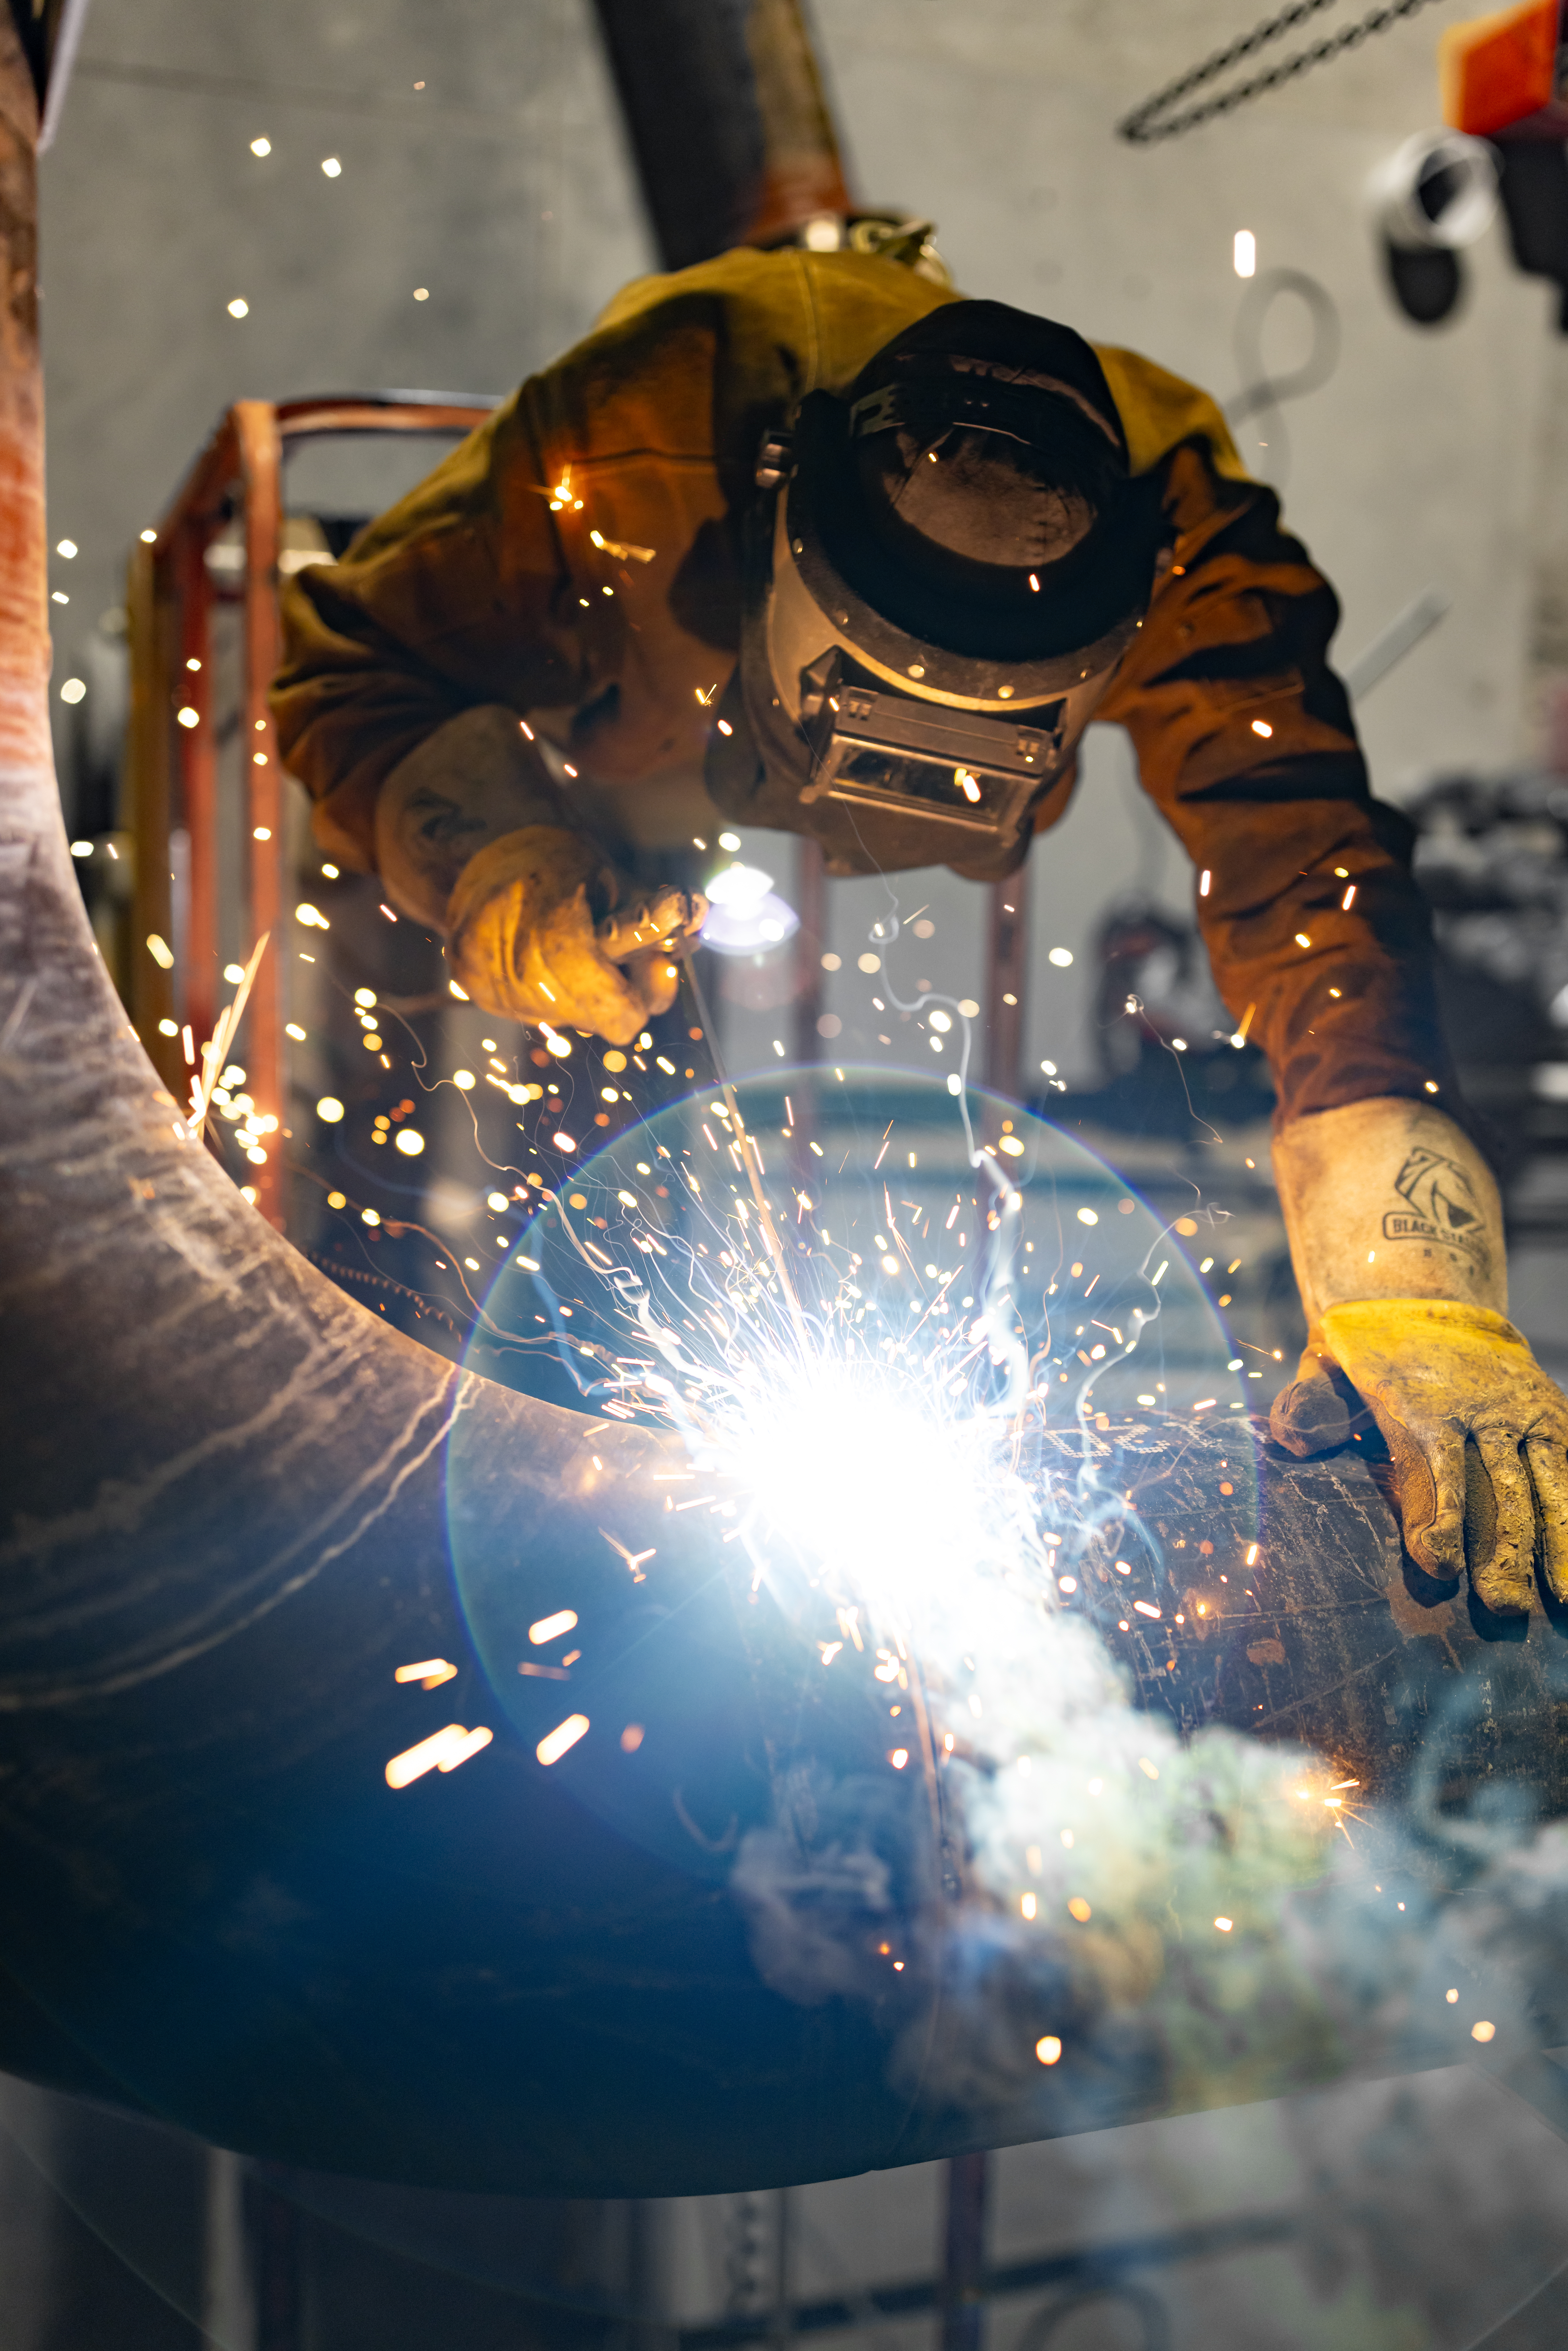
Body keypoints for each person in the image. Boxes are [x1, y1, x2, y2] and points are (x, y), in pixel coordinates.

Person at [271, 234, 1568, 1616]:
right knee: (503, 1162)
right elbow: (344, 664)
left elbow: (1318, 884)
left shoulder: (1189, 540)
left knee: (661, 1235)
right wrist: (503, 866)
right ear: (788, 533)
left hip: (726, 681)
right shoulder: (633, 451)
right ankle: (398, 1536)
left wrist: (1413, 1285)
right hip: (610, 729)